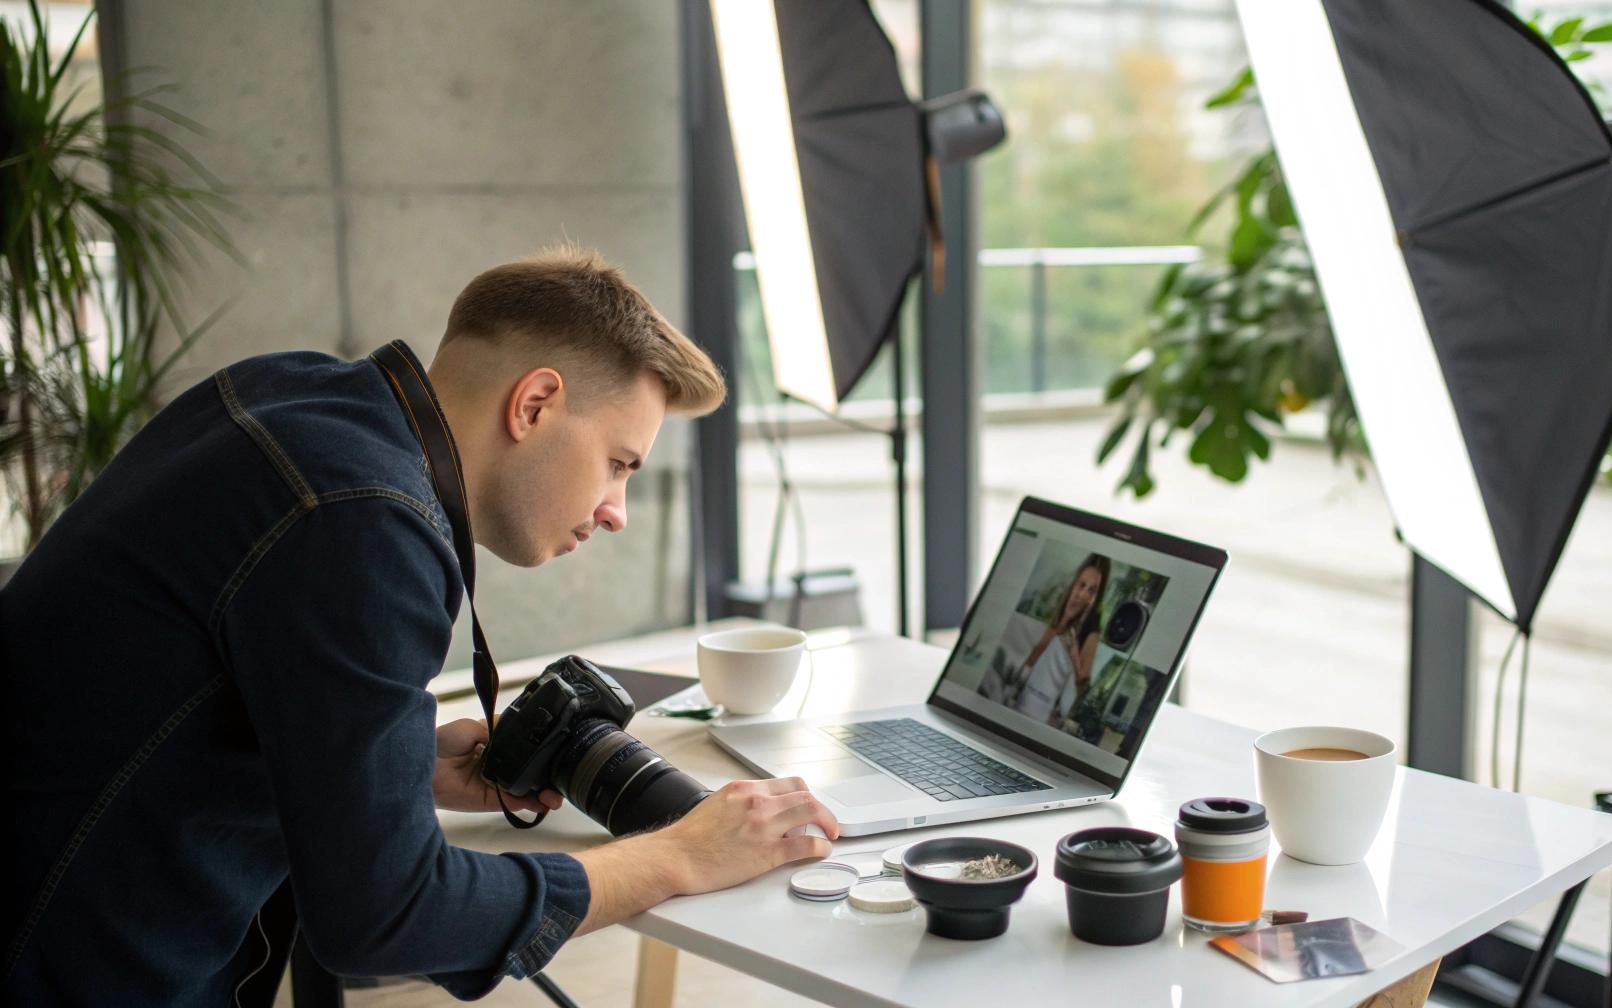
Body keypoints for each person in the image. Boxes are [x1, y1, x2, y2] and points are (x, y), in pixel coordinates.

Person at [0, 246, 840, 1003]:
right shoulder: (364, 521)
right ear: (537, 402)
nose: (617, 510)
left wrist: (396, 769)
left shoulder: (290, 394)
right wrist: (678, 855)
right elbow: (385, 913)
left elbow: (187, 686)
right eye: (619, 463)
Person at [1006, 554, 1109, 726]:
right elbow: (1031, 661)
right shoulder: (1056, 620)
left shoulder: (1089, 634)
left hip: (1041, 722)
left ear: (1095, 598)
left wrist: (1074, 654)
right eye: (1081, 585)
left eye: (1091, 590)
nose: (1082, 594)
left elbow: (1082, 685)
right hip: (1018, 708)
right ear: (1073, 585)